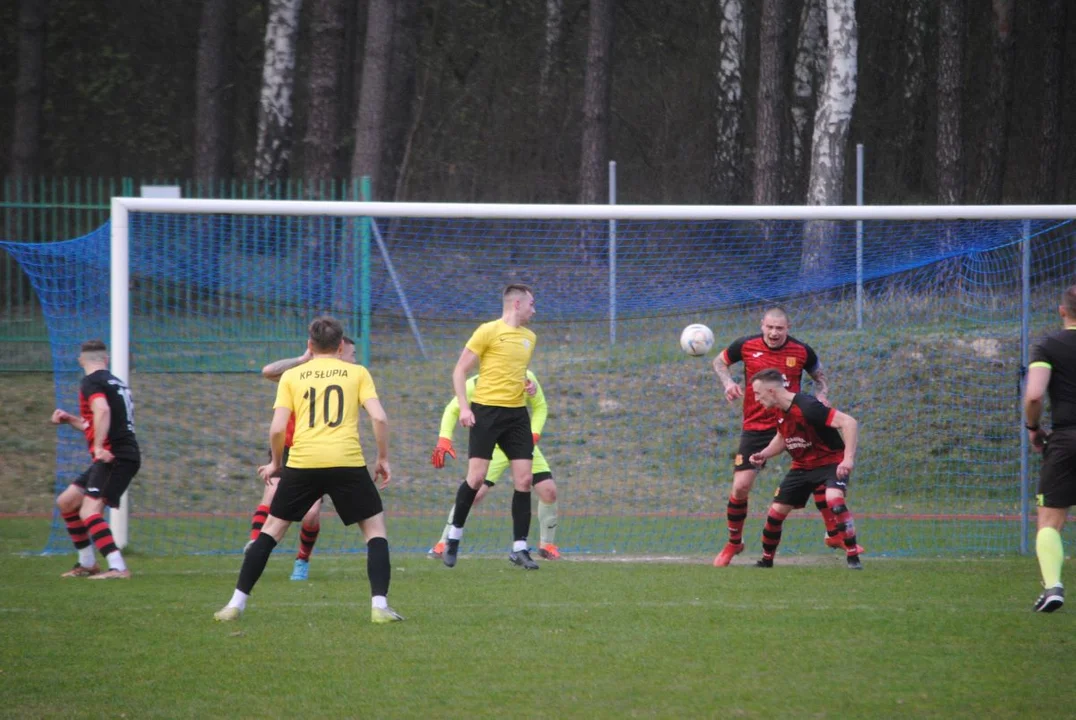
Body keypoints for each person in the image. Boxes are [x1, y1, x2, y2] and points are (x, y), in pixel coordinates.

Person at [214, 316, 402, 623]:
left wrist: (277, 464)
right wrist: (382, 458)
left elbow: (277, 428)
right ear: (341, 346)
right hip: (347, 461)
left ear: (309, 346)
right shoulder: (357, 373)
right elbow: (379, 418)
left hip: (302, 463)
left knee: (271, 531)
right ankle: (379, 607)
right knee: (375, 532)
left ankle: (235, 603)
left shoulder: (293, 376)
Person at [711, 307, 847, 567]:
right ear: (762, 325)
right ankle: (734, 542)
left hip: (795, 422)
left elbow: (820, 377)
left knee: (820, 470)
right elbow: (719, 362)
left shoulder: (801, 351)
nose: (774, 333)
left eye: (779, 328)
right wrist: (728, 383)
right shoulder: (745, 345)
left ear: (788, 328)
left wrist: (822, 394)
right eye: (770, 327)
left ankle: (834, 534)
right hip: (756, 426)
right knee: (740, 486)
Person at [243, 336, 357, 581]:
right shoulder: (302, 373)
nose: (354, 359)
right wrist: (302, 359)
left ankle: (302, 560)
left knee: (311, 514)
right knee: (272, 494)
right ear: (338, 350)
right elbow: (268, 371)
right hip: (287, 448)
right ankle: (254, 545)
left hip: (316, 451)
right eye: (351, 353)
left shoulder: (351, 378)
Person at [442, 284, 539, 569]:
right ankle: (453, 536)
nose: (535, 310)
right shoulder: (488, 331)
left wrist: (526, 384)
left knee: (523, 480)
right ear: (517, 304)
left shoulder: (530, 338)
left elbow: (511, 370)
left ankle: (519, 548)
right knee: (475, 479)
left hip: (517, 415)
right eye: (532, 304)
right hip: (486, 413)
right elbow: (460, 370)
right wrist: (464, 406)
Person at [428, 369, 561, 560]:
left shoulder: (526, 378)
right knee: (475, 493)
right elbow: (452, 409)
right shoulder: (476, 384)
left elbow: (541, 406)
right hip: (493, 447)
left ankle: (546, 545)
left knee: (549, 490)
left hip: (522, 443)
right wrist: (444, 438)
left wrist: (533, 435)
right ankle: (444, 542)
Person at [746, 368, 862, 569]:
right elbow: (783, 438)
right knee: (775, 513)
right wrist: (763, 454)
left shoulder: (808, 406)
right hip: (802, 467)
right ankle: (766, 561)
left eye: (758, 393)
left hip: (830, 462)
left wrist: (848, 459)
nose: (756, 399)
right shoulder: (779, 410)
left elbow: (848, 422)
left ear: (772, 391)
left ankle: (853, 557)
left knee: (834, 499)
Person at [51, 339, 141, 580]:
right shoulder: (114, 382)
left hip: (115, 456)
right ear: (106, 359)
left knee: (90, 510)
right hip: (119, 454)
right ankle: (87, 563)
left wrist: (99, 447)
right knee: (67, 502)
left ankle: (118, 567)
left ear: (81, 359)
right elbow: (97, 421)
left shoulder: (92, 382)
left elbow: (102, 411)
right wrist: (71, 419)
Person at [1024, 284, 1076, 613]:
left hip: (1067, 439)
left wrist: (1033, 428)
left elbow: (1034, 396)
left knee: (1049, 520)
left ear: (1062, 311)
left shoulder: (1048, 345)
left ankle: (1053, 586)